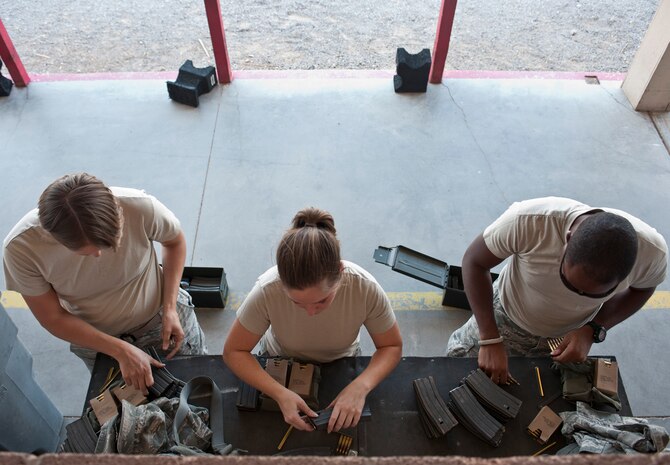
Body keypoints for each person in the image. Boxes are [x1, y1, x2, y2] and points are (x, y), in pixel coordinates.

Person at [3, 173, 207, 393]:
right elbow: (52, 317)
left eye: (109, 245)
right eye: (86, 252)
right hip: (99, 341)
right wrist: (120, 350)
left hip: (163, 319)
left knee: (202, 384)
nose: (99, 255)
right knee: (130, 410)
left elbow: (174, 242)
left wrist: (170, 308)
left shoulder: (139, 207)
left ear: (118, 214)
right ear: (55, 237)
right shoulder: (21, 248)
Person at [446, 197, 667, 385]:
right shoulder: (529, 221)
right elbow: (474, 261)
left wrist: (594, 328)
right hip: (504, 316)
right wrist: (489, 338)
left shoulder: (651, 254)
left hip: (566, 338)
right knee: (456, 370)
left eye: (589, 294)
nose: (574, 296)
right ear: (568, 239)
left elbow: (643, 290)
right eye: (569, 283)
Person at [223, 207, 402, 433]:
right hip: (281, 360)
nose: (310, 313)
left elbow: (391, 346)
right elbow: (234, 351)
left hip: (341, 361)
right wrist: (279, 392)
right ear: (282, 282)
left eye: (322, 301)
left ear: (340, 272)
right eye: (297, 303)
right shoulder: (268, 289)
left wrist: (360, 387)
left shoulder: (364, 288)